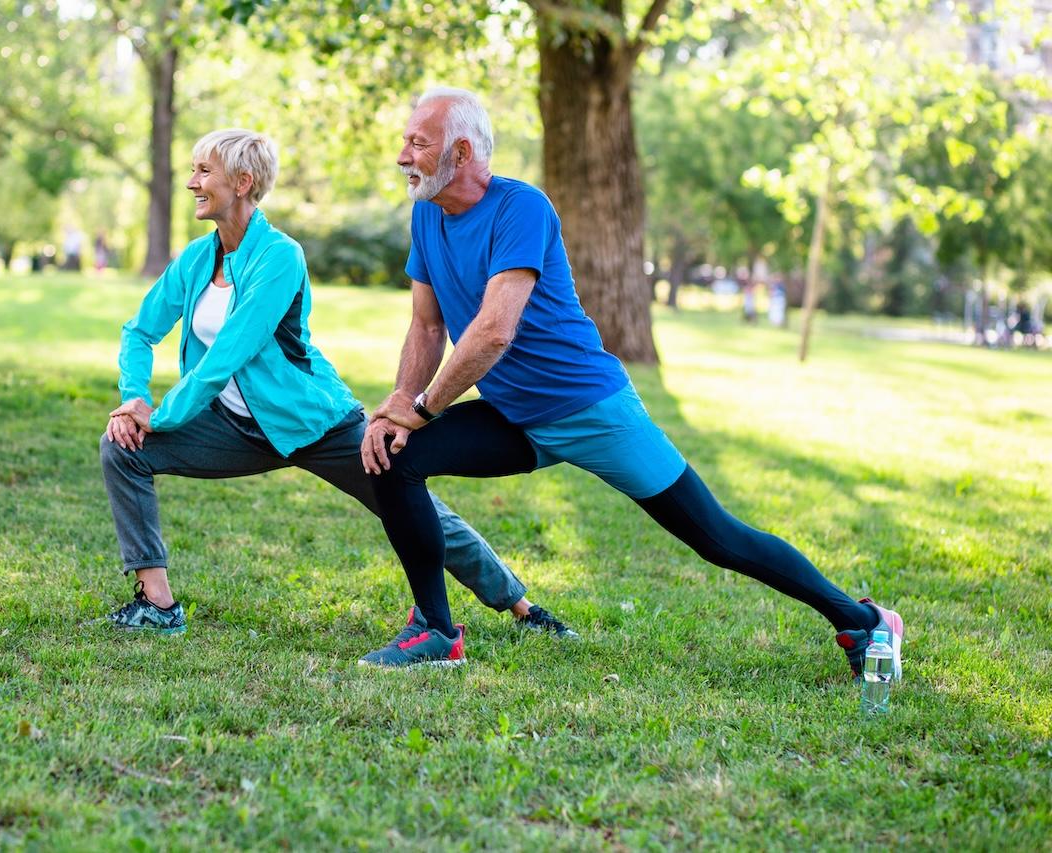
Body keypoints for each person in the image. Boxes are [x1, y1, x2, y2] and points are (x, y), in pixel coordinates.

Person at [358, 88, 904, 678]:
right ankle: (435, 631)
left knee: (717, 537)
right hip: (514, 417)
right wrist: (396, 411)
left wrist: (424, 407)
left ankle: (863, 620)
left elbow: (493, 332)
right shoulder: (426, 215)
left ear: (461, 152)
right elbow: (426, 323)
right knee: (393, 457)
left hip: (590, 409)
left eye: (418, 142)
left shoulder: (522, 208)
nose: (402, 156)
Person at [100, 128, 574, 639]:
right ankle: (157, 603)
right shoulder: (195, 260)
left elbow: (227, 355)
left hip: (315, 424)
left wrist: (164, 416)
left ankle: (522, 606)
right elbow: (139, 331)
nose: (192, 182)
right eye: (192, 170)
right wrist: (134, 399)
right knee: (123, 449)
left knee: (415, 508)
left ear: (241, 182)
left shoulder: (280, 257)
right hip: (234, 427)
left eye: (203, 171)